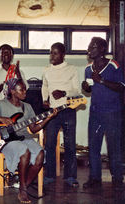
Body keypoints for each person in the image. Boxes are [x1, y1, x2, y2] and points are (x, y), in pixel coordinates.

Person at [0, 78, 57, 203]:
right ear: (13, 92)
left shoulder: (27, 107)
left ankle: (23, 186)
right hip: (7, 141)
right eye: (21, 90)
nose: (25, 92)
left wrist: (47, 118)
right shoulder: (1, 104)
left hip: (24, 138)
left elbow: (34, 128)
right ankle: (23, 190)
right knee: (24, 151)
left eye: (25, 89)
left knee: (40, 153)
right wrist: (1, 119)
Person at [82, 37, 125, 190]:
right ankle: (95, 178)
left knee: (114, 147)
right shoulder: (88, 68)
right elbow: (90, 89)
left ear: (102, 49)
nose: (89, 48)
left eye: (93, 46)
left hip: (112, 113)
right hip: (95, 113)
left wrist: (101, 81)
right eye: (89, 45)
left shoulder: (113, 65)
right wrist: (86, 87)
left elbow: (122, 87)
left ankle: (117, 179)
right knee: (93, 147)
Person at [41, 42, 81, 187]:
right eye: (51, 52)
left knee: (70, 144)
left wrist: (64, 93)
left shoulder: (72, 69)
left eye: (55, 53)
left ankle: (70, 176)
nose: (52, 55)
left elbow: (77, 90)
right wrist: (45, 99)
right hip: (53, 111)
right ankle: (50, 175)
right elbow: (44, 87)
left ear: (63, 55)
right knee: (49, 144)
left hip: (68, 110)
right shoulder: (46, 70)